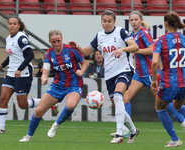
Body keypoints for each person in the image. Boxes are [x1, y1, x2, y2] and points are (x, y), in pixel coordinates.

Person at [109, 11, 185, 137]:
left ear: (141, 20)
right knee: (124, 99)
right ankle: (126, 129)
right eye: (131, 20)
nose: (134, 22)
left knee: (163, 104)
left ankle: (182, 122)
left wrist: (136, 51)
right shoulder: (134, 34)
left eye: (136, 19)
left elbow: (151, 49)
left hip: (150, 73)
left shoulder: (144, 32)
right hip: (139, 74)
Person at [69, 9, 139, 144]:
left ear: (114, 21)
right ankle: (133, 131)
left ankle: (119, 134)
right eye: (104, 21)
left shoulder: (121, 32)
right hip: (110, 75)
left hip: (124, 70)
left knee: (118, 96)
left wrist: (122, 49)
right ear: (101, 22)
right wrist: (77, 46)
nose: (107, 24)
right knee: (117, 105)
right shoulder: (99, 36)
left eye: (109, 21)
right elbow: (86, 52)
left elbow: (134, 47)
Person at [19, 29, 89, 142]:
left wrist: (81, 71)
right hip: (58, 85)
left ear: (62, 39)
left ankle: (56, 125)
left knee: (71, 104)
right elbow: (45, 72)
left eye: (58, 41)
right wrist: (44, 78)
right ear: (49, 41)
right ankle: (29, 137)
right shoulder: (49, 54)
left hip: (74, 84)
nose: (56, 44)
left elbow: (85, 63)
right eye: (53, 42)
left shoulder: (71, 50)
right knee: (38, 111)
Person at [0, 17, 41, 134]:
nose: (12, 26)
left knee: (22, 104)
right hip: (10, 74)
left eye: (14, 24)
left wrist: (20, 69)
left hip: (23, 75)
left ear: (19, 26)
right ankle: (1, 128)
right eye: (10, 24)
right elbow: (11, 56)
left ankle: (45, 102)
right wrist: (2, 65)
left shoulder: (21, 38)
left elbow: (30, 55)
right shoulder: (8, 38)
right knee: (2, 99)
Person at [151, 11, 185, 147]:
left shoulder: (161, 40)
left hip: (169, 82)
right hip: (183, 81)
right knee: (177, 106)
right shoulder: (183, 38)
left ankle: (175, 139)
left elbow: (154, 62)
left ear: (165, 23)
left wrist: (154, 80)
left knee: (159, 107)